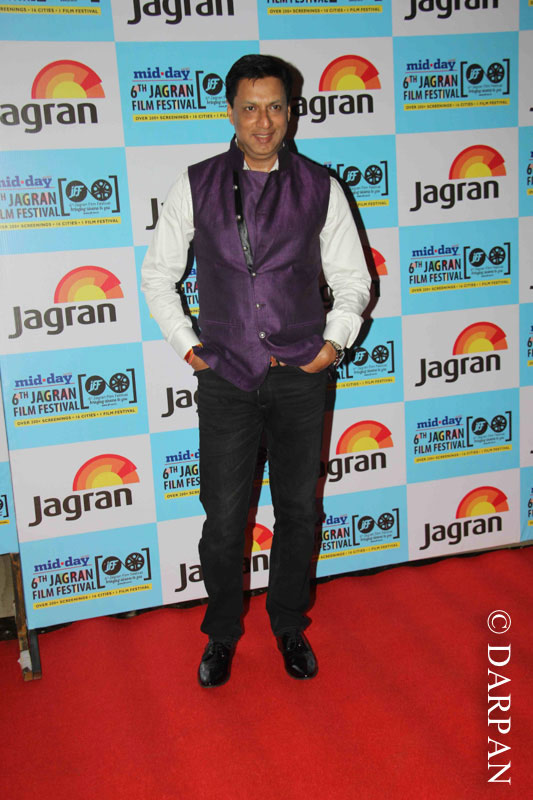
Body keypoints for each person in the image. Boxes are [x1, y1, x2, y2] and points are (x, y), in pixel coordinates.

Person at [141, 54, 370, 687]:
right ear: (231, 112)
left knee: (298, 510)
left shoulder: (321, 186)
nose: (263, 122)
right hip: (226, 379)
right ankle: (221, 634)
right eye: (250, 108)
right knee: (222, 519)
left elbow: (353, 280)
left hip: (301, 376)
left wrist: (332, 345)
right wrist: (189, 347)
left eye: (274, 107)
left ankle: (289, 623)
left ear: (290, 111)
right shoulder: (195, 184)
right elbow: (158, 276)